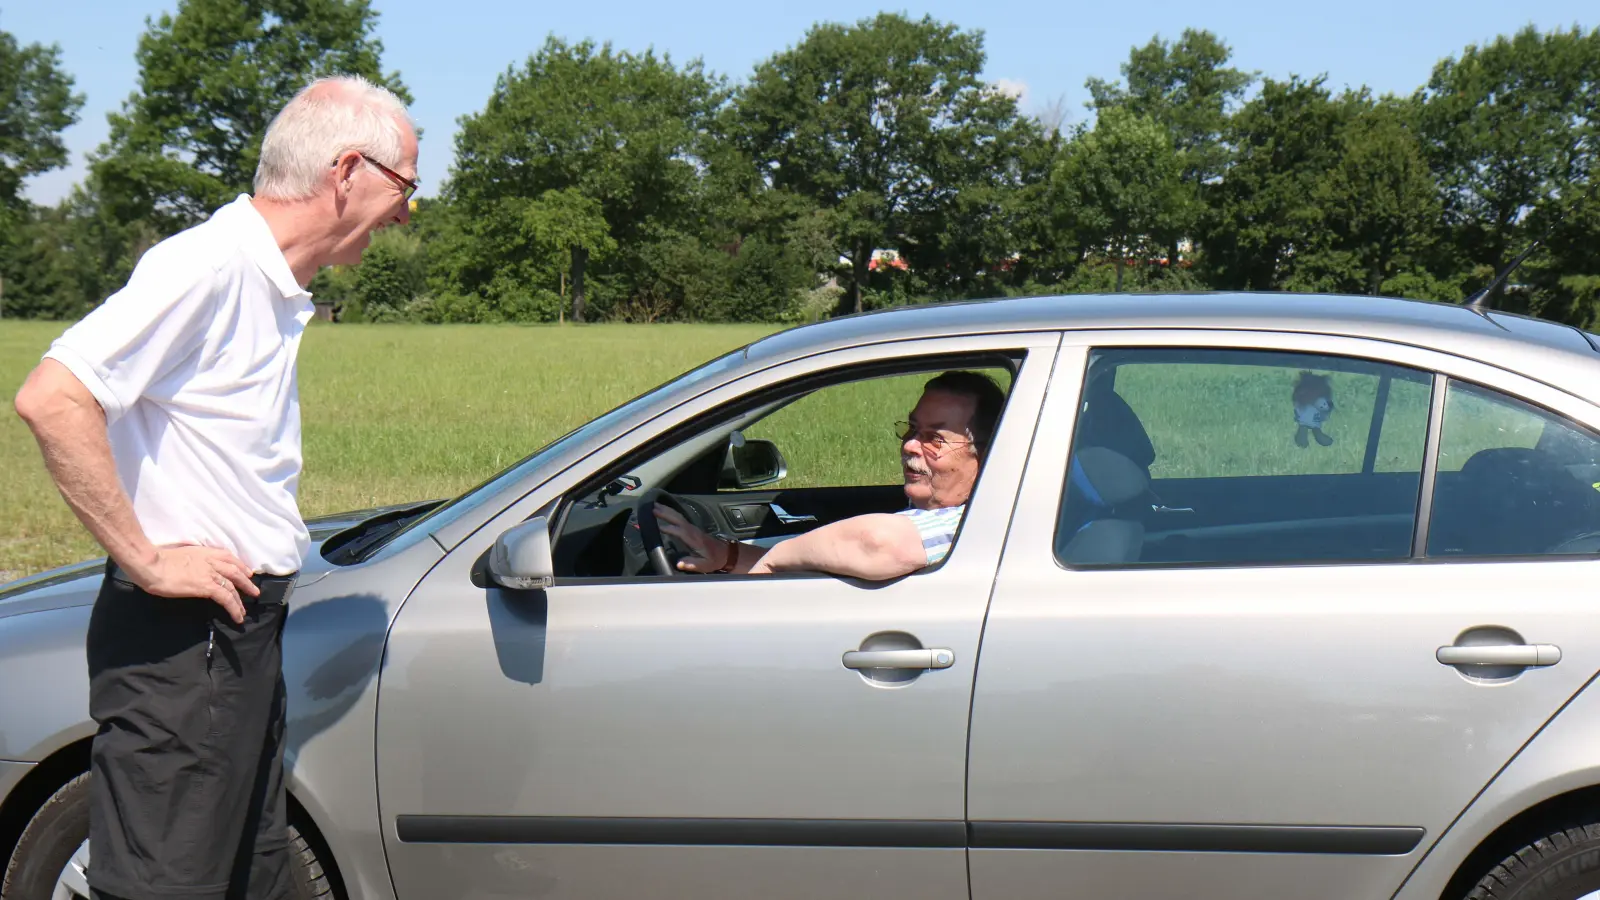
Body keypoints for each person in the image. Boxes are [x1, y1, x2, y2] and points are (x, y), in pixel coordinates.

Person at [12, 75, 417, 900]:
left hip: (233, 639)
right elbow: (52, 398)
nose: (406, 212)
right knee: (168, 884)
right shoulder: (208, 266)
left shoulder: (267, 284)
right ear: (347, 172)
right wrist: (148, 559)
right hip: (181, 640)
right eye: (404, 186)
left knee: (255, 876)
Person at [656, 370, 1006, 580]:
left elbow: (877, 542)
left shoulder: (974, 524)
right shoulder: (929, 514)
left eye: (934, 438)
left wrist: (773, 560)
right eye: (912, 429)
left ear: (988, 455)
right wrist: (725, 556)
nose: (911, 445)